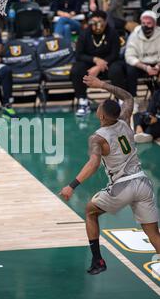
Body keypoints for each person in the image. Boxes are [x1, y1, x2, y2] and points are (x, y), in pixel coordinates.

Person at [59, 74, 160, 275]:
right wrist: (102, 85)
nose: (98, 107)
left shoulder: (97, 138)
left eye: (100, 107)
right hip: (143, 183)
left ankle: (98, 260)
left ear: (102, 116)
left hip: (122, 186)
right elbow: (129, 98)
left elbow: (94, 163)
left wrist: (72, 185)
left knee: (90, 211)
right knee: (153, 233)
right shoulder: (124, 121)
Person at [70, 10, 126, 117]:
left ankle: (120, 100)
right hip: (90, 63)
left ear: (105, 22)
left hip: (109, 62)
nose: (96, 25)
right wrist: (95, 60)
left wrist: (100, 66)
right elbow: (79, 55)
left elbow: (115, 53)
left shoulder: (113, 32)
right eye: (94, 22)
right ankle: (83, 101)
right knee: (76, 69)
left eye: (99, 21)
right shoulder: (85, 33)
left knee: (117, 69)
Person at [124, 10, 160, 111]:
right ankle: (133, 100)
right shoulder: (134, 35)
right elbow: (129, 56)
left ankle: (157, 100)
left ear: (155, 24)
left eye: (149, 23)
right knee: (130, 69)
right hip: (141, 64)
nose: (145, 26)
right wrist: (145, 67)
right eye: (143, 23)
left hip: (157, 64)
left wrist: (157, 66)